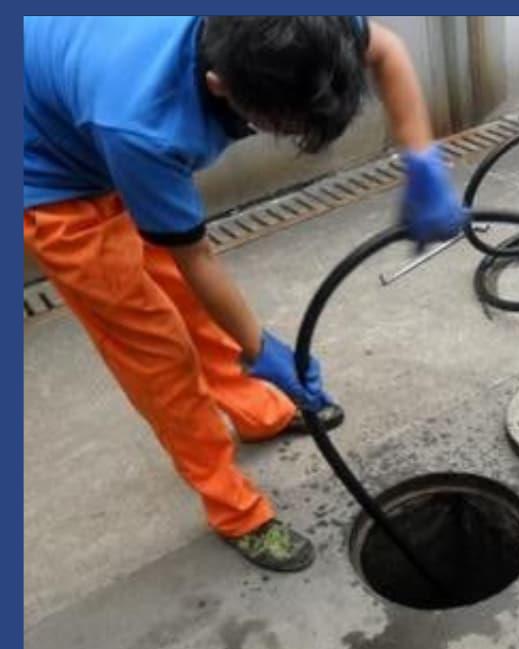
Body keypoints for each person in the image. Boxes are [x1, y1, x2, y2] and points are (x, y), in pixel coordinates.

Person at [23, 16, 465, 572]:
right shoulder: (144, 128)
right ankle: (233, 509)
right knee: (156, 352)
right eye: (277, 125)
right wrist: (261, 348)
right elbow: (196, 257)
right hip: (48, 172)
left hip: (85, 93)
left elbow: (388, 49)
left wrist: (423, 162)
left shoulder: (297, 26)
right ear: (218, 85)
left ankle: (257, 410)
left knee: (194, 305)